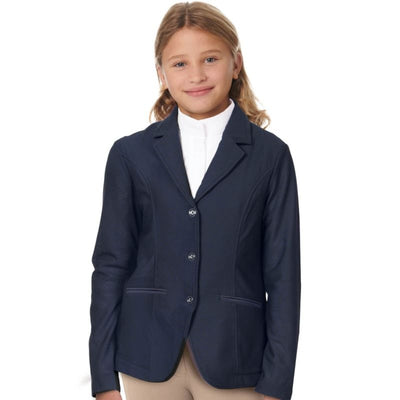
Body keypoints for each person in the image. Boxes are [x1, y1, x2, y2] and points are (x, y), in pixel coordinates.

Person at [89, 2, 301, 400]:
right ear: (161, 73)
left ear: (236, 63)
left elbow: (283, 276)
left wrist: (277, 385)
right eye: (180, 63)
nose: (197, 75)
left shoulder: (270, 156)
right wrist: (102, 378)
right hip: (146, 356)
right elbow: (110, 266)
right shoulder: (130, 155)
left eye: (210, 59)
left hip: (235, 358)